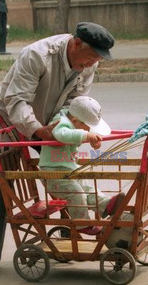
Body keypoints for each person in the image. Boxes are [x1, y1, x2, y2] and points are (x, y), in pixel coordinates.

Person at [0, 22, 116, 276]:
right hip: (9, 118)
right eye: (90, 58)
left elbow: (76, 103)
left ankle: (67, 237)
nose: (91, 64)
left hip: (52, 120)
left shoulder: (89, 63)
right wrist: (39, 131)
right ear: (75, 44)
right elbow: (17, 100)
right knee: (5, 183)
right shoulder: (37, 55)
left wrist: (68, 130)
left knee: (65, 170)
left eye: (96, 60)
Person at [38, 96, 125, 232]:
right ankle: (82, 223)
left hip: (68, 170)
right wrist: (86, 136)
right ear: (75, 121)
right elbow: (62, 134)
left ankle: (105, 205)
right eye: (88, 127)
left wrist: (92, 138)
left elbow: (83, 131)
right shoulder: (60, 122)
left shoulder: (75, 121)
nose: (89, 130)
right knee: (77, 193)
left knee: (87, 186)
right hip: (52, 174)